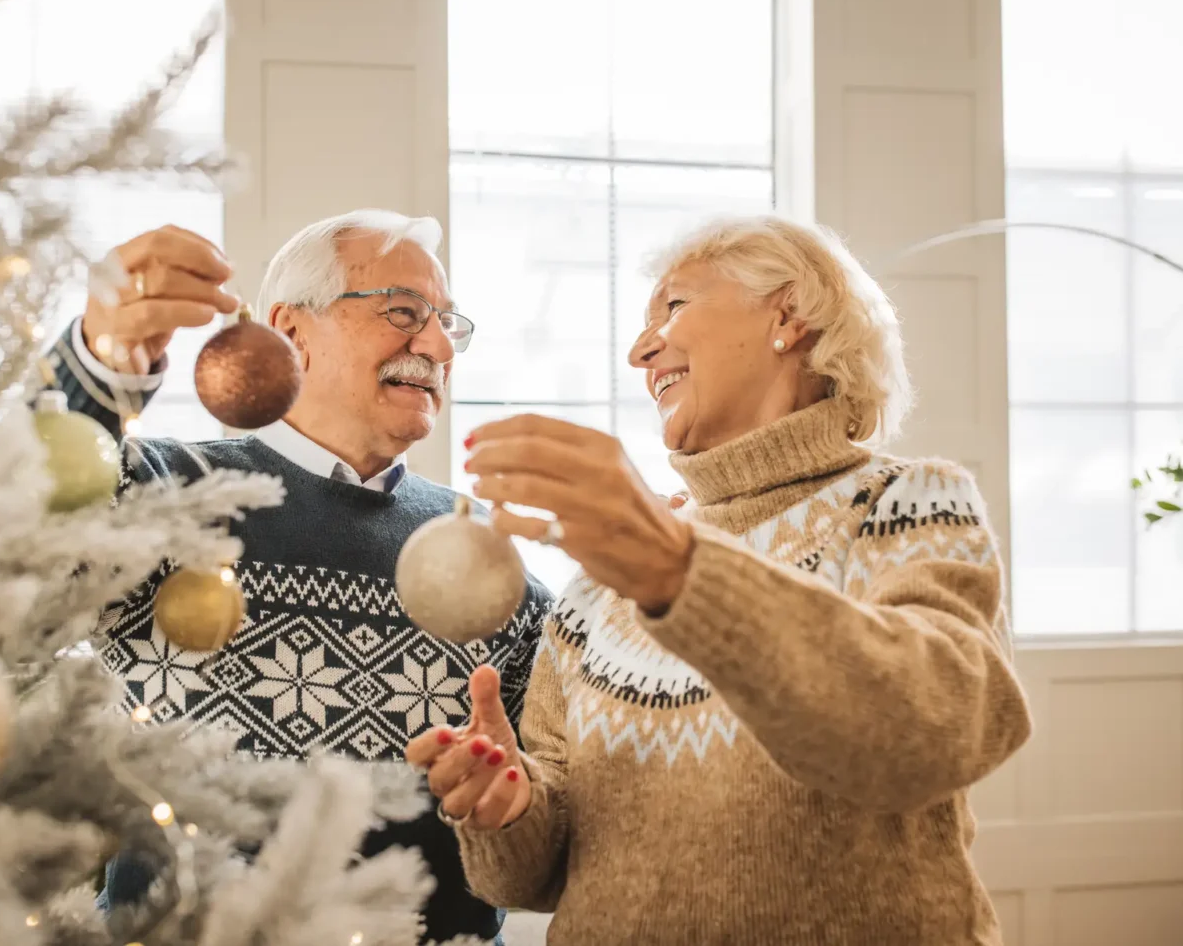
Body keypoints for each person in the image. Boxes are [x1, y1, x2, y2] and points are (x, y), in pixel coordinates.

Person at [406, 215, 1033, 944]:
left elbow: (941, 728)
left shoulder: (904, 505)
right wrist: (506, 808)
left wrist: (683, 571)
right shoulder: (604, 580)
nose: (641, 350)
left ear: (788, 314)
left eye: (674, 307)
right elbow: (534, 878)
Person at [44, 211, 556, 945]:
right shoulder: (170, 493)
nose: (439, 345)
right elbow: (10, 524)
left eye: (448, 323)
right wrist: (98, 366)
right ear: (290, 329)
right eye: (404, 311)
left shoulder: (486, 553)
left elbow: (571, 794)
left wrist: (520, 799)